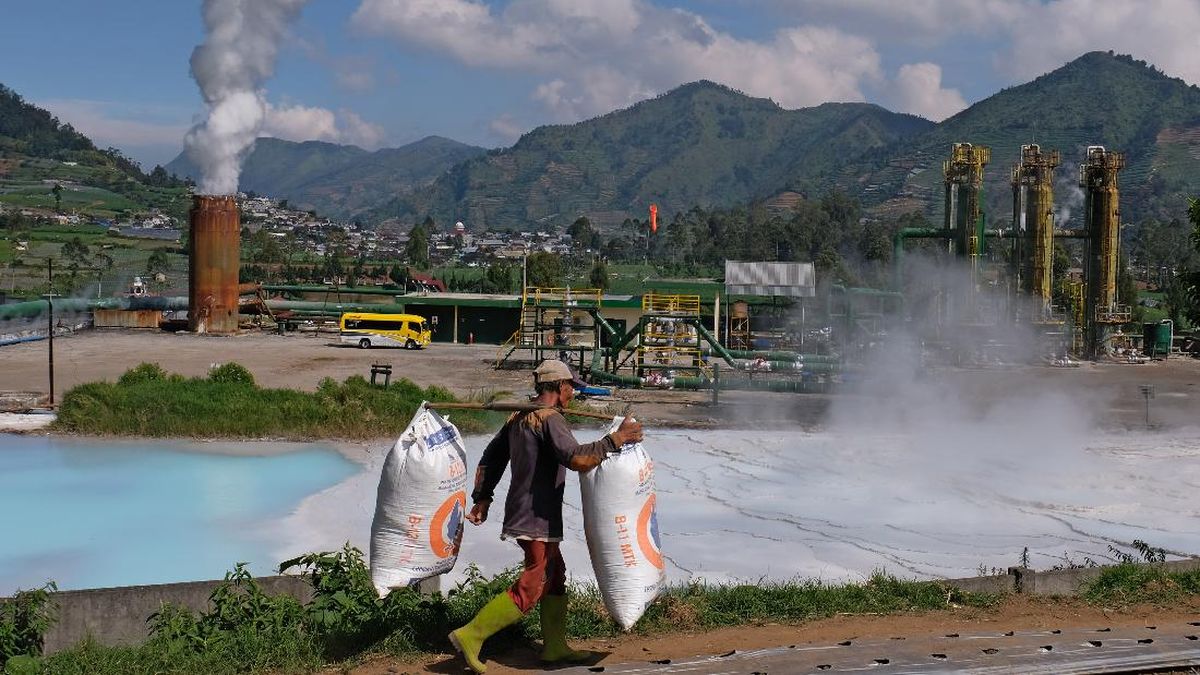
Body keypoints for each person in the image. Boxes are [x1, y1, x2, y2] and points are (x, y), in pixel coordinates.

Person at [448, 359, 643, 673]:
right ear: (559, 387)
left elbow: (491, 457)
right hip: (535, 514)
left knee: (555, 575)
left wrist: (482, 498)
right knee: (535, 581)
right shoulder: (550, 419)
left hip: (530, 511)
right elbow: (577, 458)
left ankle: (554, 647)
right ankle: (471, 635)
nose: (573, 395)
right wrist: (615, 440)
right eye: (571, 388)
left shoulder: (520, 416)